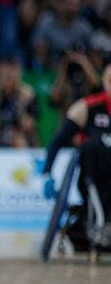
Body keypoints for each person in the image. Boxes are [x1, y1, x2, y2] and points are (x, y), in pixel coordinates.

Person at [43, 62, 111, 240]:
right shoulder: (86, 107)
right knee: (92, 146)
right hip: (95, 175)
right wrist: (47, 173)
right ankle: (98, 223)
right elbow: (57, 141)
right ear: (104, 82)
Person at [0, 56, 40, 148]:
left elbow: (30, 123)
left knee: (21, 143)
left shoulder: (28, 94)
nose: (9, 76)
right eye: (5, 74)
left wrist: (20, 107)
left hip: (18, 133)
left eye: (12, 73)